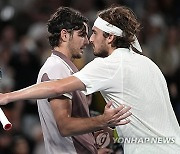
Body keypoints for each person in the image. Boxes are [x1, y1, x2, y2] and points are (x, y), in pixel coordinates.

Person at [0, 5, 180, 154]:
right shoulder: (149, 63)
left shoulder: (109, 64)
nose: (90, 40)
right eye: (85, 34)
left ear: (110, 37)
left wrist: (7, 97)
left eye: (94, 33)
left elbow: (55, 88)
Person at [3, 7, 130, 154]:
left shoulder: (63, 68)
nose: (87, 41)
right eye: (82, 35)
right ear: (65, 35)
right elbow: (65, 126)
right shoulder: (56, 69)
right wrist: (103, 120)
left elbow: (75, 131)